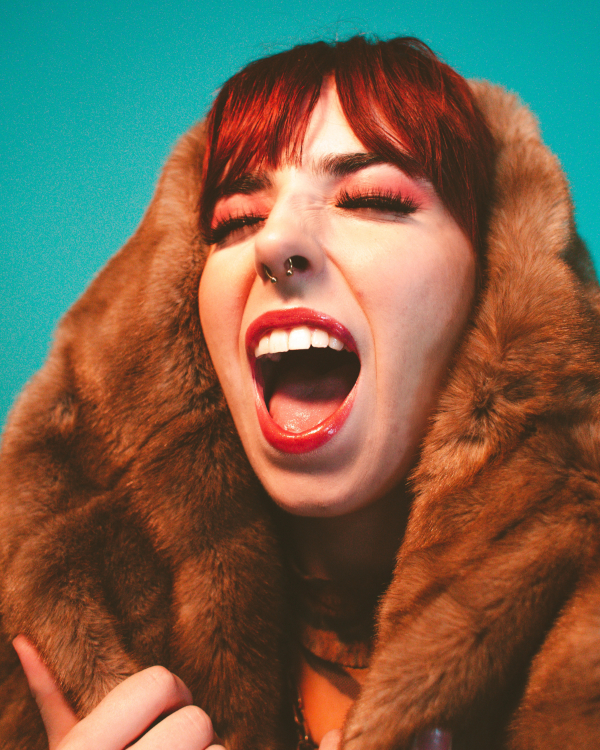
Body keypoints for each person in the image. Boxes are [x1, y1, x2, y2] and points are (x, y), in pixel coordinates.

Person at [1, 35, 599, 750]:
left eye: (372, 198)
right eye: (235, 219)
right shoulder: (43, 628)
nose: (274, 241)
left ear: (498, 285)